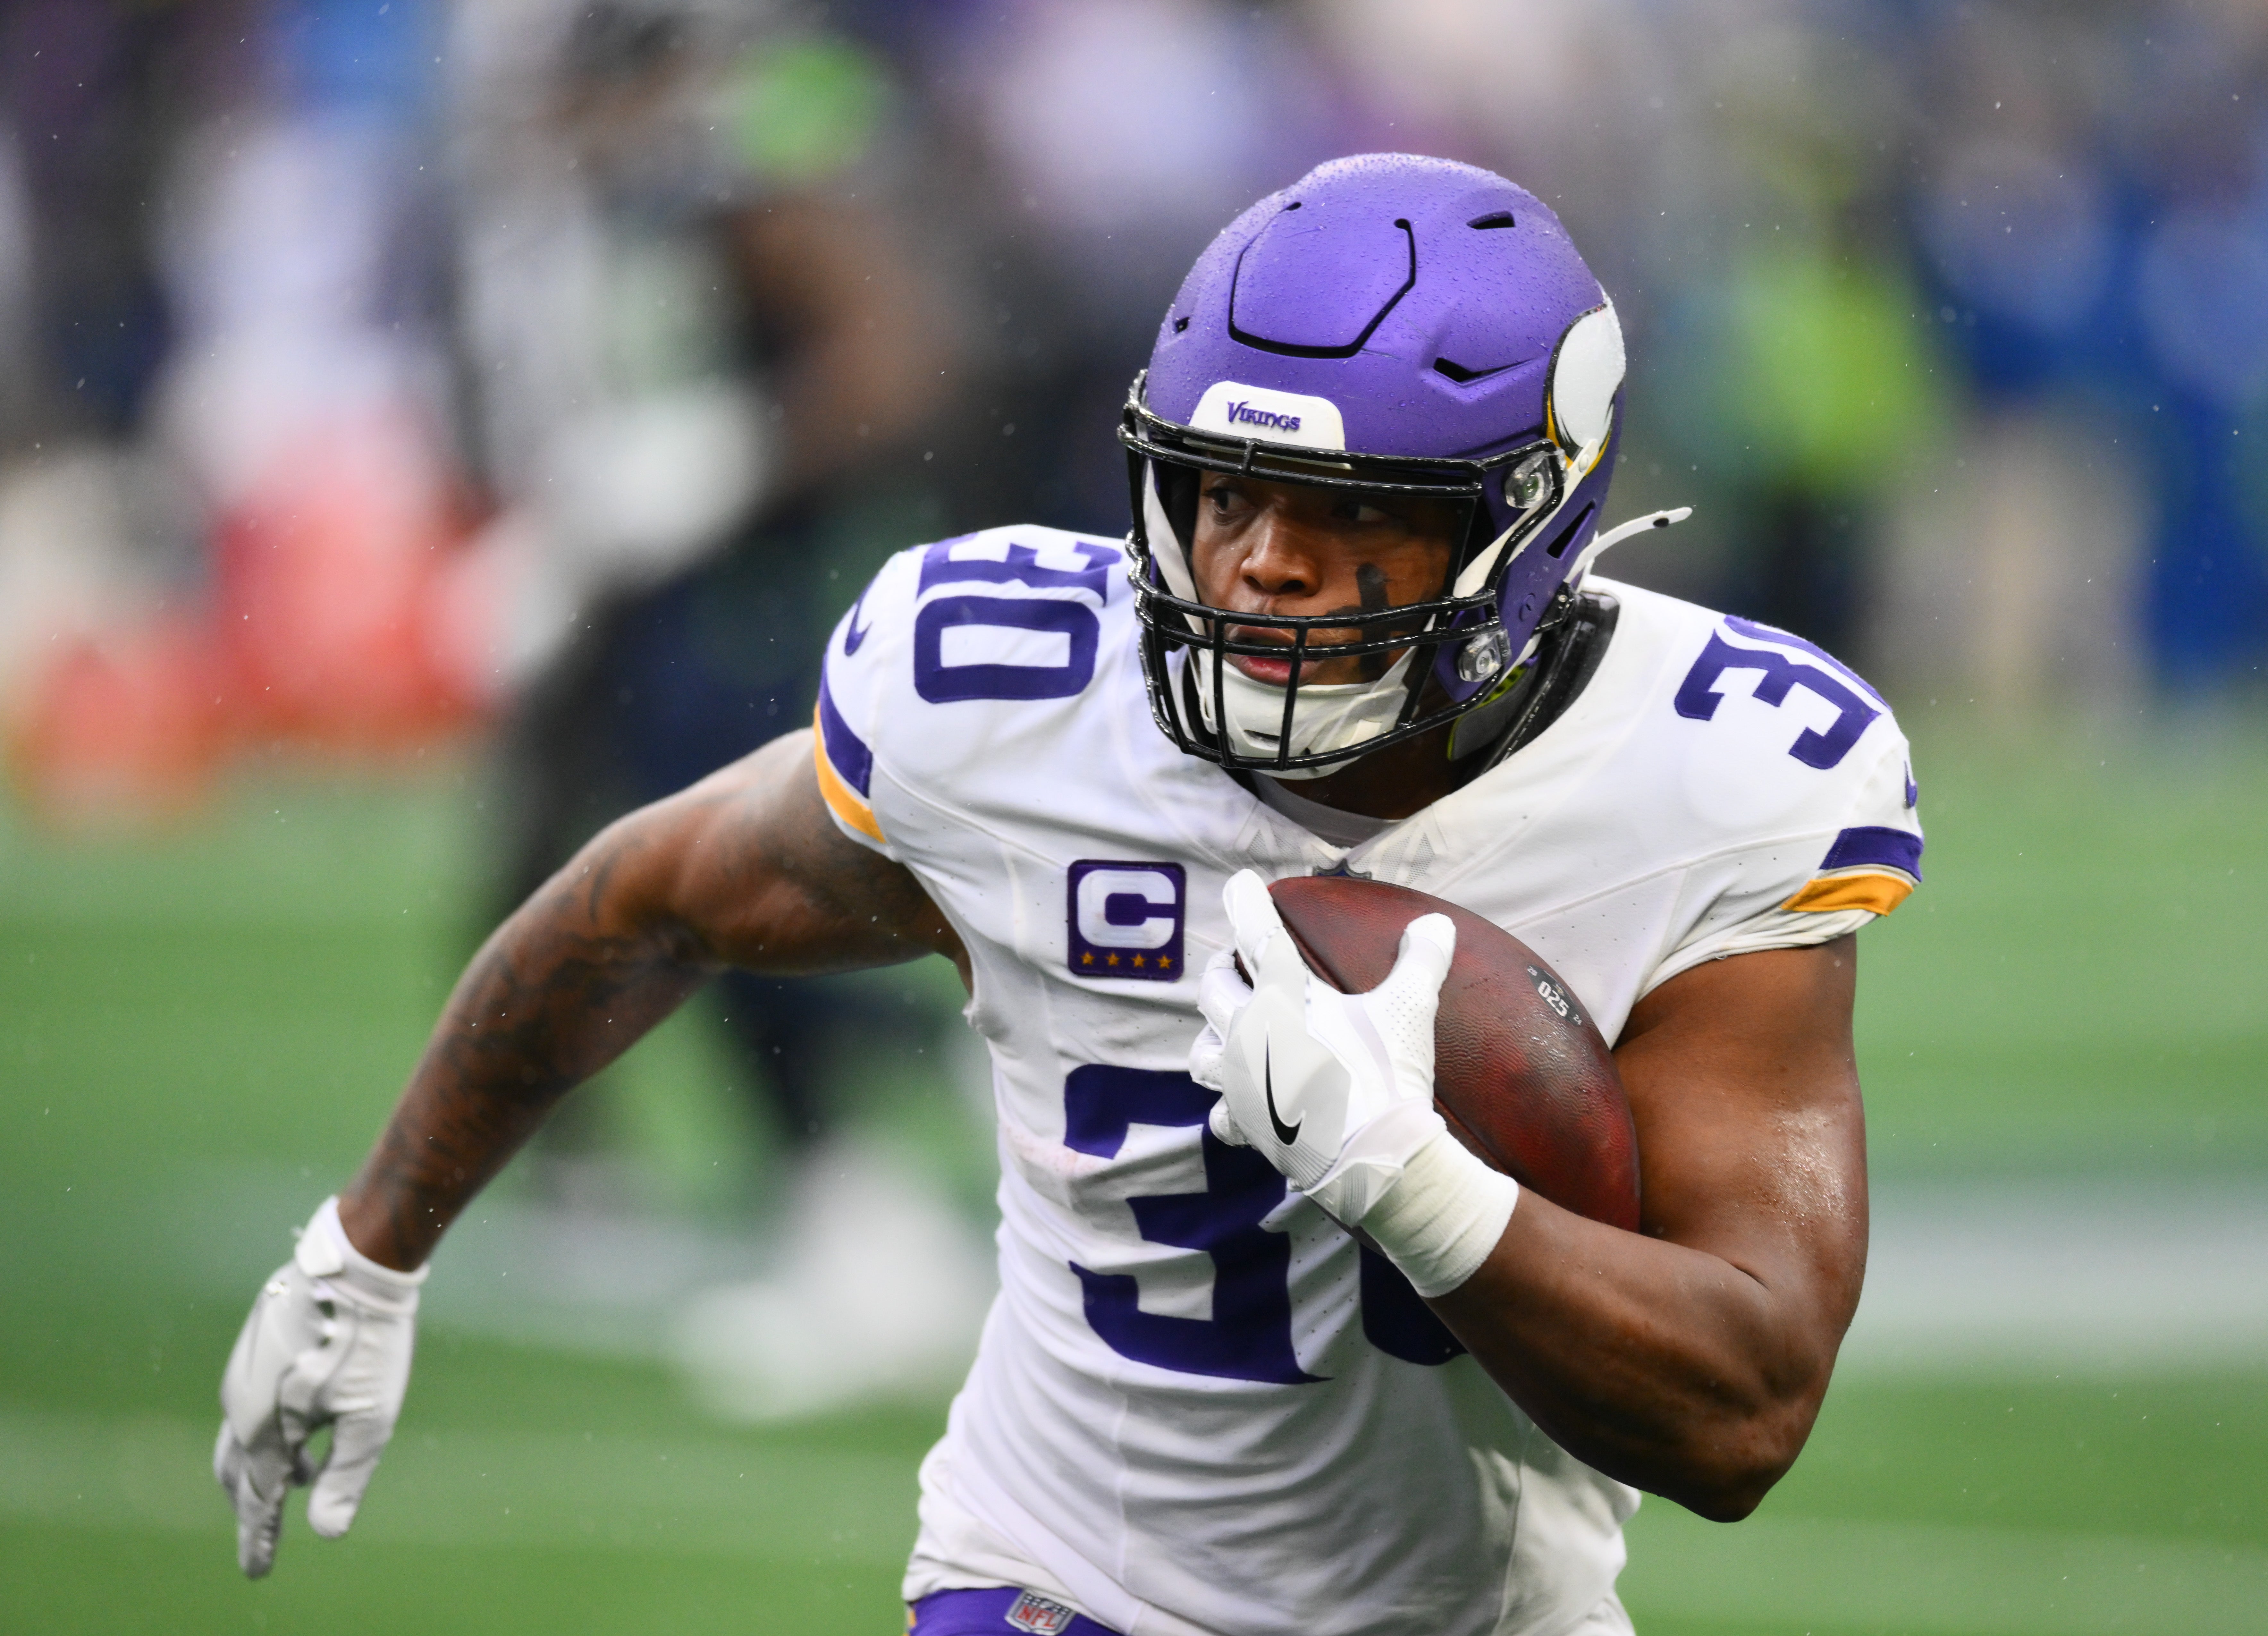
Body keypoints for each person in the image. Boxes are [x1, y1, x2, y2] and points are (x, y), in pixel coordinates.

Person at [213, 154, 1925, 1636]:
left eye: (1348, 511)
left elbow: (1742, 1412)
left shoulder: (1710, 780)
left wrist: (1397, 1178)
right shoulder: (1020, 701)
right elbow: (644, 899)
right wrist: (366, 1252)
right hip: (1063, 1584)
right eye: (1221, 488)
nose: (1257, 560)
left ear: (1525, 522)